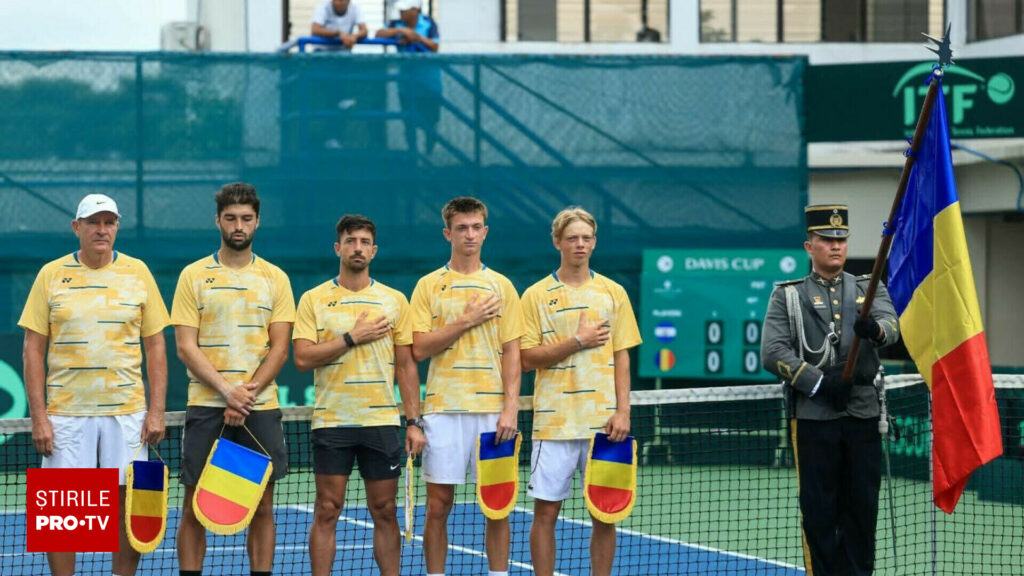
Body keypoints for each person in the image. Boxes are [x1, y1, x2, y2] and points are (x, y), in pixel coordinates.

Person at [19, 193, 169, 576]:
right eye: (93, 222)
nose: (102, 230)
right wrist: (39, 418)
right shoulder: (51, 275)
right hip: (66, 415)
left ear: (117, 227)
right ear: (77, 227)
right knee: (62, 511)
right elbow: (33, 349)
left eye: (109, 222)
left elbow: (155, 346)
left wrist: (155, 412)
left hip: (128, 413)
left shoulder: (139, 272)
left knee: (128, 506)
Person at [761, 204, 899, 576]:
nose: (836, 246)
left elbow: (891, 327)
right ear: (809, 246)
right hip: (815, 417)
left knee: (861, 510)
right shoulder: (789, 296)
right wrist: (820, 383)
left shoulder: (869, 289)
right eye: (826, 239)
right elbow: (772, 352)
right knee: (820, 514)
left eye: (841, 239)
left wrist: (877, 331)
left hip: (862, 415)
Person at [171, 183, 294, 576]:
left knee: (262, 503)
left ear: (257, 221)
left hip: (260, 409)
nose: (238, 226)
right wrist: (228, 392)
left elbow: (279, 348)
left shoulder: (276, 278)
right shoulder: (193, 276)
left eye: (245, 218)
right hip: (207, 407)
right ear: (218, 221)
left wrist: (247, 395)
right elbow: (186, 347)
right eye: (230, 218)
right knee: (195, 503)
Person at [293, 214, 426, 576]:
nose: (357, 247)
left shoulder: (395, 300)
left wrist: (413, 422)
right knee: (327, 508)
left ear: (374, 250)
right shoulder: (313, 299)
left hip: (380, 423)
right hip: (332, 422)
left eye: (365, 242)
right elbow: (303, 357)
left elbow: (406, 367)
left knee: (384, 511)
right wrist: (352, 336)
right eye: (350, 241)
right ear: (338, 248)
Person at [519, 207, 641, 576]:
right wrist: (577, 341)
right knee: (546, 513)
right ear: (557, 241)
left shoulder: (613, 292)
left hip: (604, 427)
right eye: (572, 237)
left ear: (595, 243)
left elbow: (622, 357)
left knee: (605, 515)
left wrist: (623, 412)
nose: (580, 244)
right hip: (553, 426)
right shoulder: (536, 295)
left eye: (586, 238)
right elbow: (527, 358)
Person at [410, 197, 523, 576]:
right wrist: (467, 319)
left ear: (485, 231)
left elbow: (512, 353)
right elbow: (421, 348)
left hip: (493, 415)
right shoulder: (429, 286)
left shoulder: (503, 286)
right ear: (448, 233)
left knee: (498, 505)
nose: (469, 234)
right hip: (443, 411)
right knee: (438, 505)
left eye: (476, 227)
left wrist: (510, 408)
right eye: (462, 228)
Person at [375, 0, 441, 154]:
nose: (401, 13)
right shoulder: (396, 23)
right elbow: (379, 34)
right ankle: (413, 156)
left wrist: (417, 38)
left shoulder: (429, 23)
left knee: (430, 122)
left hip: (429, 83)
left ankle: (428, 155)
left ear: (415, 10)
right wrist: (403, 32)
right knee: (409, 122)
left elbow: (435, 46)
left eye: (405, 10)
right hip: (406, 84)